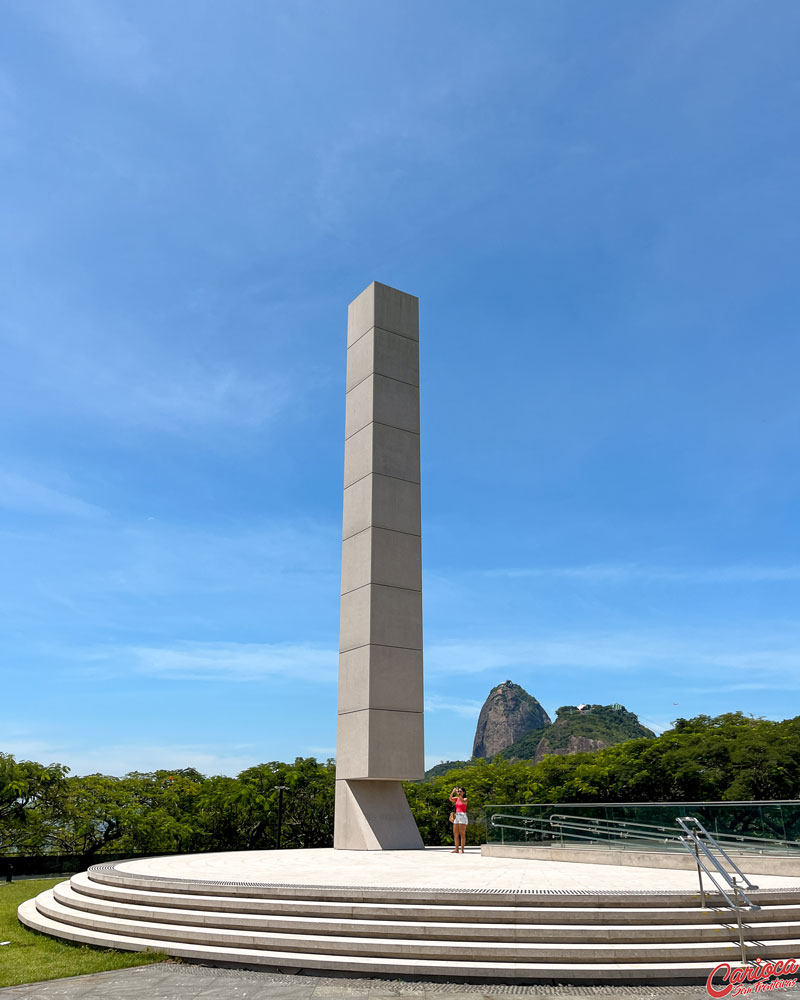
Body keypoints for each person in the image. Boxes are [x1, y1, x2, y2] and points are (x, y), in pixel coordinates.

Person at [449, 786, 468, 854]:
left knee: (462, 833)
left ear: (464, 792)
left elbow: (463, 802)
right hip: (457, 816)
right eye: (458, 791)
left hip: (462, 816)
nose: (459, 792)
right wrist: (453, 792)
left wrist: (458, 795)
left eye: (460, 791)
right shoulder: (457, 799)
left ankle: (462, 849)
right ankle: (456, 849)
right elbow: (450, 799)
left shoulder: (465, 799)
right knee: (455, 833)